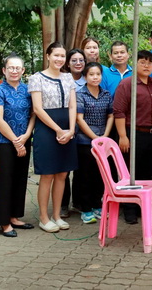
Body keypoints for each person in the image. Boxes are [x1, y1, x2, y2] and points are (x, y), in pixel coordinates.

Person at [29, 41, 78, 233]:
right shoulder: (36, 78)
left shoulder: (68, 78)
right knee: (47, 174)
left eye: (62, 56)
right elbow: (37, 108)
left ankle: (57, 215)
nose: (59, 59)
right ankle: (44, 217)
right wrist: (58, 130)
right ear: (48, 56)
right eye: (55, 55)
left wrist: (71, 129)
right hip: (47, 130)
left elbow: (72, 105)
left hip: (68, 129)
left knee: (63, 174)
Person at [113, 50, 152, 224]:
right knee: (131, 172)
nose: (147, 65)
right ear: (135, 63)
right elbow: (118, 111)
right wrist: (122, 136)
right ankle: (129, 209)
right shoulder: (127, 84)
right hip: (134, 134)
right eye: (143, 62)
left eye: (150, 62)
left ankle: (143, 206)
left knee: (148, 173)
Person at [0, 54, 35, 237]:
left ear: (23, 71)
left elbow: (33, 115)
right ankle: (4, 222)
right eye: (11, 68)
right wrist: (16, 141)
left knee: (20, 179)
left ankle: (15, 217)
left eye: (18, 68)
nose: (14, 71)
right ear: (4, 70)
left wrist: (26, 136)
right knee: (5, 181)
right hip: (5, 143)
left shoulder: (28, 90)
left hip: (25, 140)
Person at [74, 61, 114, 224]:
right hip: (85, 142)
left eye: (98, 74)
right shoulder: (80, 94)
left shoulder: (106, 94)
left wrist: (104, 136)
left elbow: (111, 115)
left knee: (100, 175)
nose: (95, 77)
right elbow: (79, 119)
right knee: (85, 176)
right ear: (85, 77)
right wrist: (94, 138)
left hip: (103, 141)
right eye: (91, 74)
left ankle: (98, 206)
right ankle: (86, 209)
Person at [60, 47, 86, 217]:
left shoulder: (90, 77)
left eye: (81, 60)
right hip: (66, 128)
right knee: (64, 169)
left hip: (84, 131)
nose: (78, 63)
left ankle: (78, 202)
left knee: (81, 169)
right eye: (74, 60)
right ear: (68, 64)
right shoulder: (62, 79)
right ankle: (63, 205)